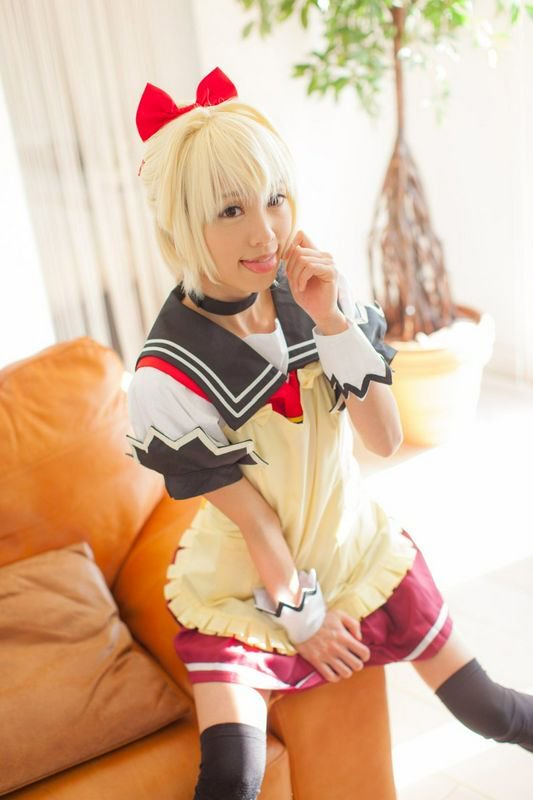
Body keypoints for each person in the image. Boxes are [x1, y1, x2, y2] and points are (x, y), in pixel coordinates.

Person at [126, 67, 533, 800]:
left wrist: (332, 321)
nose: (265, 232)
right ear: (181, 224)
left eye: (275, 198)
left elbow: (385, 439)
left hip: (353, 547)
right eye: (230, 210)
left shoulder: (315, 293)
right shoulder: (169, 373)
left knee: (492, 709)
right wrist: (304, 618)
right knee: (232, 776)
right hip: (247, 584)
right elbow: (256, 524)